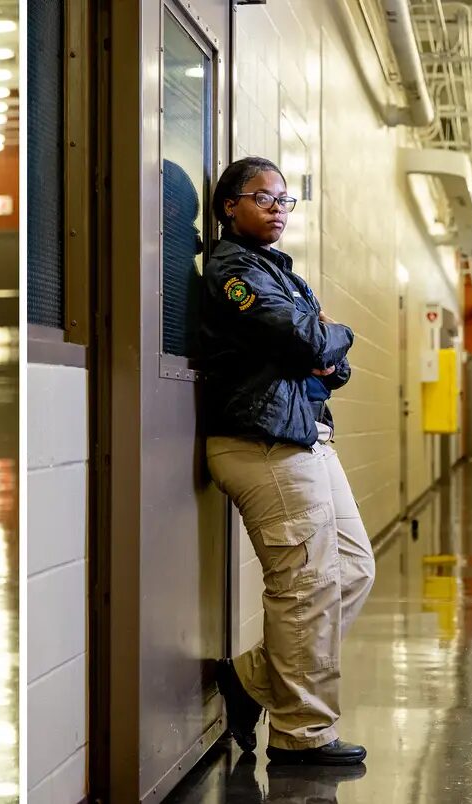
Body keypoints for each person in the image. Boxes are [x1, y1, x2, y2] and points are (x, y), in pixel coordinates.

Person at [198, 156, 376, 766]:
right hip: (262, 442)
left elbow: (335, 369)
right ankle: (303, 735)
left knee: (352, 569)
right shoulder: (233, 270)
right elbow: (310, 342)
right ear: (229, 207)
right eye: (263, 198)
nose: (277, 208)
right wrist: (336, 332)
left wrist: (326, 344)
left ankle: (252, 679)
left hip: (304, 434)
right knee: (305, 585)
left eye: (283, 200)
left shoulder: (282, 274)